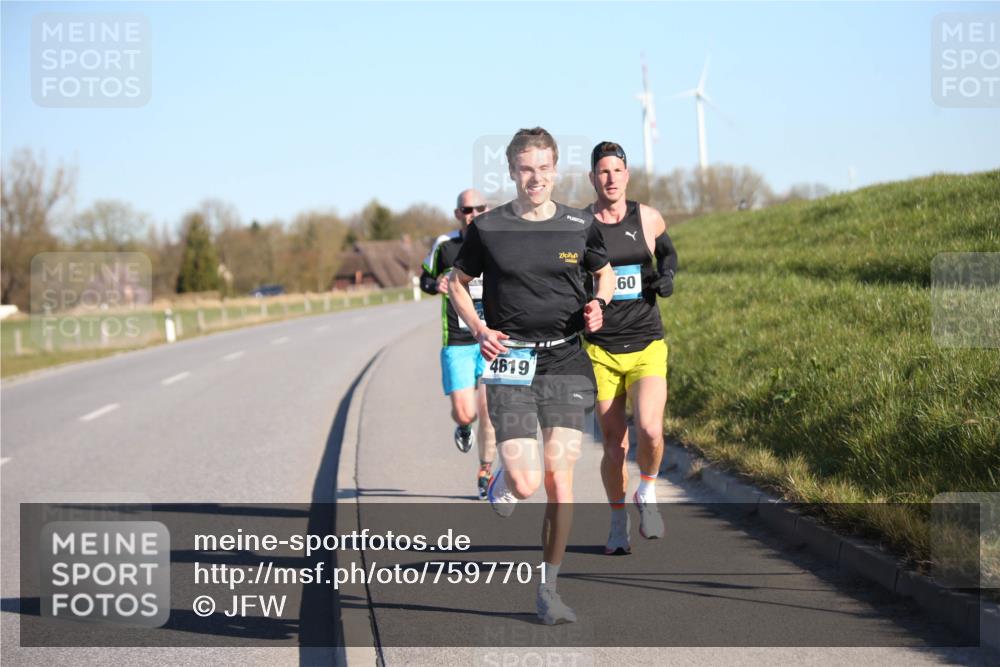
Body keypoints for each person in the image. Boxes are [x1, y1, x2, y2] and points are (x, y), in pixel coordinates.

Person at [450, 128, 615, 625]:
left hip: (566, 360)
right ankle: (503, 480)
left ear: (556, 169)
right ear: (512, 171)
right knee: (525, 483)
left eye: (544, 168)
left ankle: (549, 590)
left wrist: (598, 303)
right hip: (510, 363)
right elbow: (456, 285)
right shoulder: (490, 228)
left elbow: (603, 273)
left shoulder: (577, 224)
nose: (535, 177)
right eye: (526, 168)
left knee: (559, 479)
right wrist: (479, 328)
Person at [584, 141, 677, 555]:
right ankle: (618, 519)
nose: (610, 178)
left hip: (645, 343)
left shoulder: (648, 217)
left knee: (652, 429)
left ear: (627, 175)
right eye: (602, 172)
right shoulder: (579, 224)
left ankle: (649, 491)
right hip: (600, 351)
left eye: (617, 171)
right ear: (592, 178)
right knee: (615, 445)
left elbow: (669, 255)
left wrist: (667, 277)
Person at [419, 189, 497, 499]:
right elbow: (424, 279)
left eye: (478, 208)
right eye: (466, 210)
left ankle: (485, 471)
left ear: (486, 209)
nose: (473, 214)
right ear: (457, 214)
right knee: (466, 413)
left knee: (489, 410)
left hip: (492, 337)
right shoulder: (445, 245)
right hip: (458, 340)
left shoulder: (498, 241)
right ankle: (463, 427)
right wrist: (435, 284)